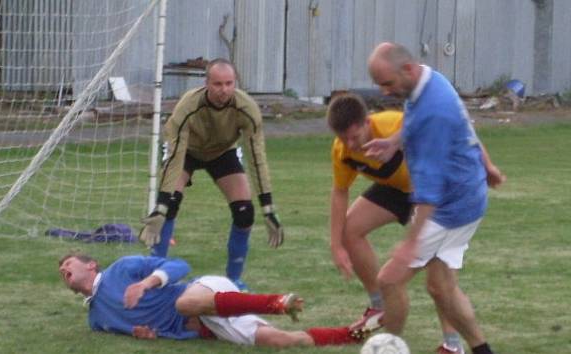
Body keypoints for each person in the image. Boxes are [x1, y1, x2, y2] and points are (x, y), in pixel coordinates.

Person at [326, 93, 504, 352]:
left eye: (355, 136)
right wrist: (335, 245)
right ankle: (379, 307)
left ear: (367, 122)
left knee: (439, 278)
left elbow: (459, 130)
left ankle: (452, 344)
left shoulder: (395, 124)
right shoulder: (342, 151)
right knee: (349, 230)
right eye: (344, 138)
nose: (350, 144)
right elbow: (340, 192)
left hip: (434, 193)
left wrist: (487, 165)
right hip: (397, 189)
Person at [363, 42, 504, 354]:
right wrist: (393, 143)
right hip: (467, 196)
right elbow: (464, 128)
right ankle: (483, 350)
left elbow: (429, 191)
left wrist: (412, 242)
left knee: (389, 279)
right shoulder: (430, 80)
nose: (385, 92)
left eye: (387, 84)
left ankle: (389, 348)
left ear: (408, 69)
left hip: (450, 206)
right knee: (441, 287)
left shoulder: (433, 111)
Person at [139, 58, 284, 290]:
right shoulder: (188, 105)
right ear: (206, 83)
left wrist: (268, 208)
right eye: (217, 84)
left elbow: (257, 158)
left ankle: (233, 281)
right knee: (169, 207)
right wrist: (162, 204)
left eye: (229, 83)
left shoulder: (247, 109)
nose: (224, 90)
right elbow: (175, 155)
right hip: (187, 151)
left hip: (222, 152)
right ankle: (155, 277)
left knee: (245, 212)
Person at [58, 252, 377, 347]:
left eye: (68, 264)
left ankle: (277, 302)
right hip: (205, 321)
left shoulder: (122, 268)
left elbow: (180, 265)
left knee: (183, 303)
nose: (63, 270)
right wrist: (143, 333)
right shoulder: (96, 319)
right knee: (279, 340)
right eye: (60, 270)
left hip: (203, 290)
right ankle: (353, 333)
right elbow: (136, 329)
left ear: (91, 265)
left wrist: (146, 283)